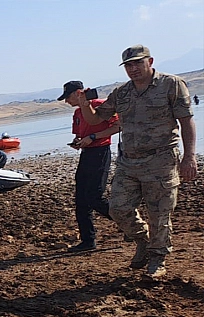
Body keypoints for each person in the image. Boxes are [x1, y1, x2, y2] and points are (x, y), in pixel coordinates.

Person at [76, 44, 197, 278]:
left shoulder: (171, 84)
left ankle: (157, 260)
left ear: (150, 62)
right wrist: (84, 104)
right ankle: (142, 241)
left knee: (159, 214)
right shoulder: (122, 93)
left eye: (137, 63)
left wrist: (189, 157)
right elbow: (95, 119)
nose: (133, 69)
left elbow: (186, 121)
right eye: (128, 65)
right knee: (118, 208)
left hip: (161, 160)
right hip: (129, 162)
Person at [59, 81, 121, 252]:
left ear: (78, 93)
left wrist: (94, 137)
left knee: (95, 197)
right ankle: (88, 240)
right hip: (86, 155)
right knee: (81, 200)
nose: (66, 101)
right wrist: (78, 142)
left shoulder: (100, 106)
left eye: (68, 97)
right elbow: (80, 135)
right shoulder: (78, 113)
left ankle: (128, 223)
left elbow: (118, 126)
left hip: (100, 153)